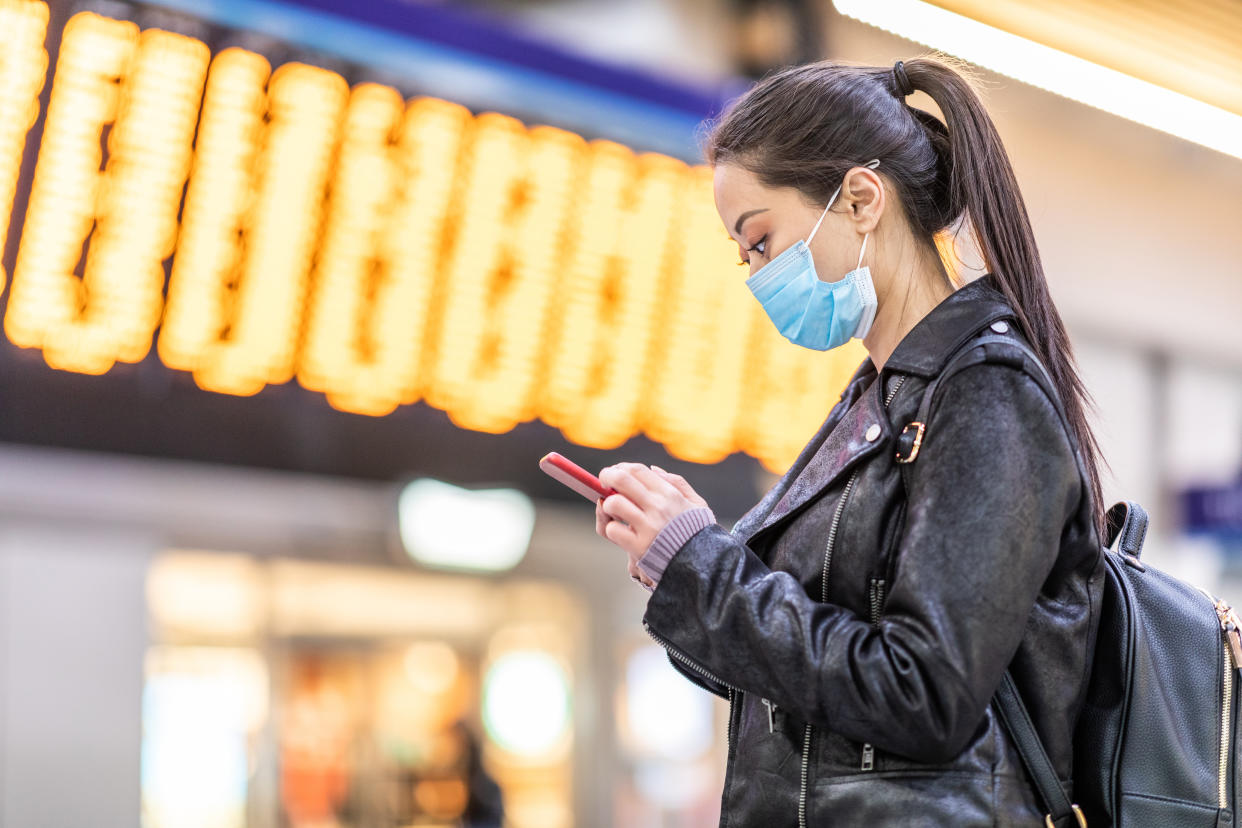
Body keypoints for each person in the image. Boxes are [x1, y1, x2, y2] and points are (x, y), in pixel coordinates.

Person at [593, 55, 1108, 827]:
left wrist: (704, 569)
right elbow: (803, 676)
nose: (756, 275)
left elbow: (923, 693)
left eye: (760, 241)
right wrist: (680, 561)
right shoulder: (879, 401)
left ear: (861, 198)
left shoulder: (985, 393)